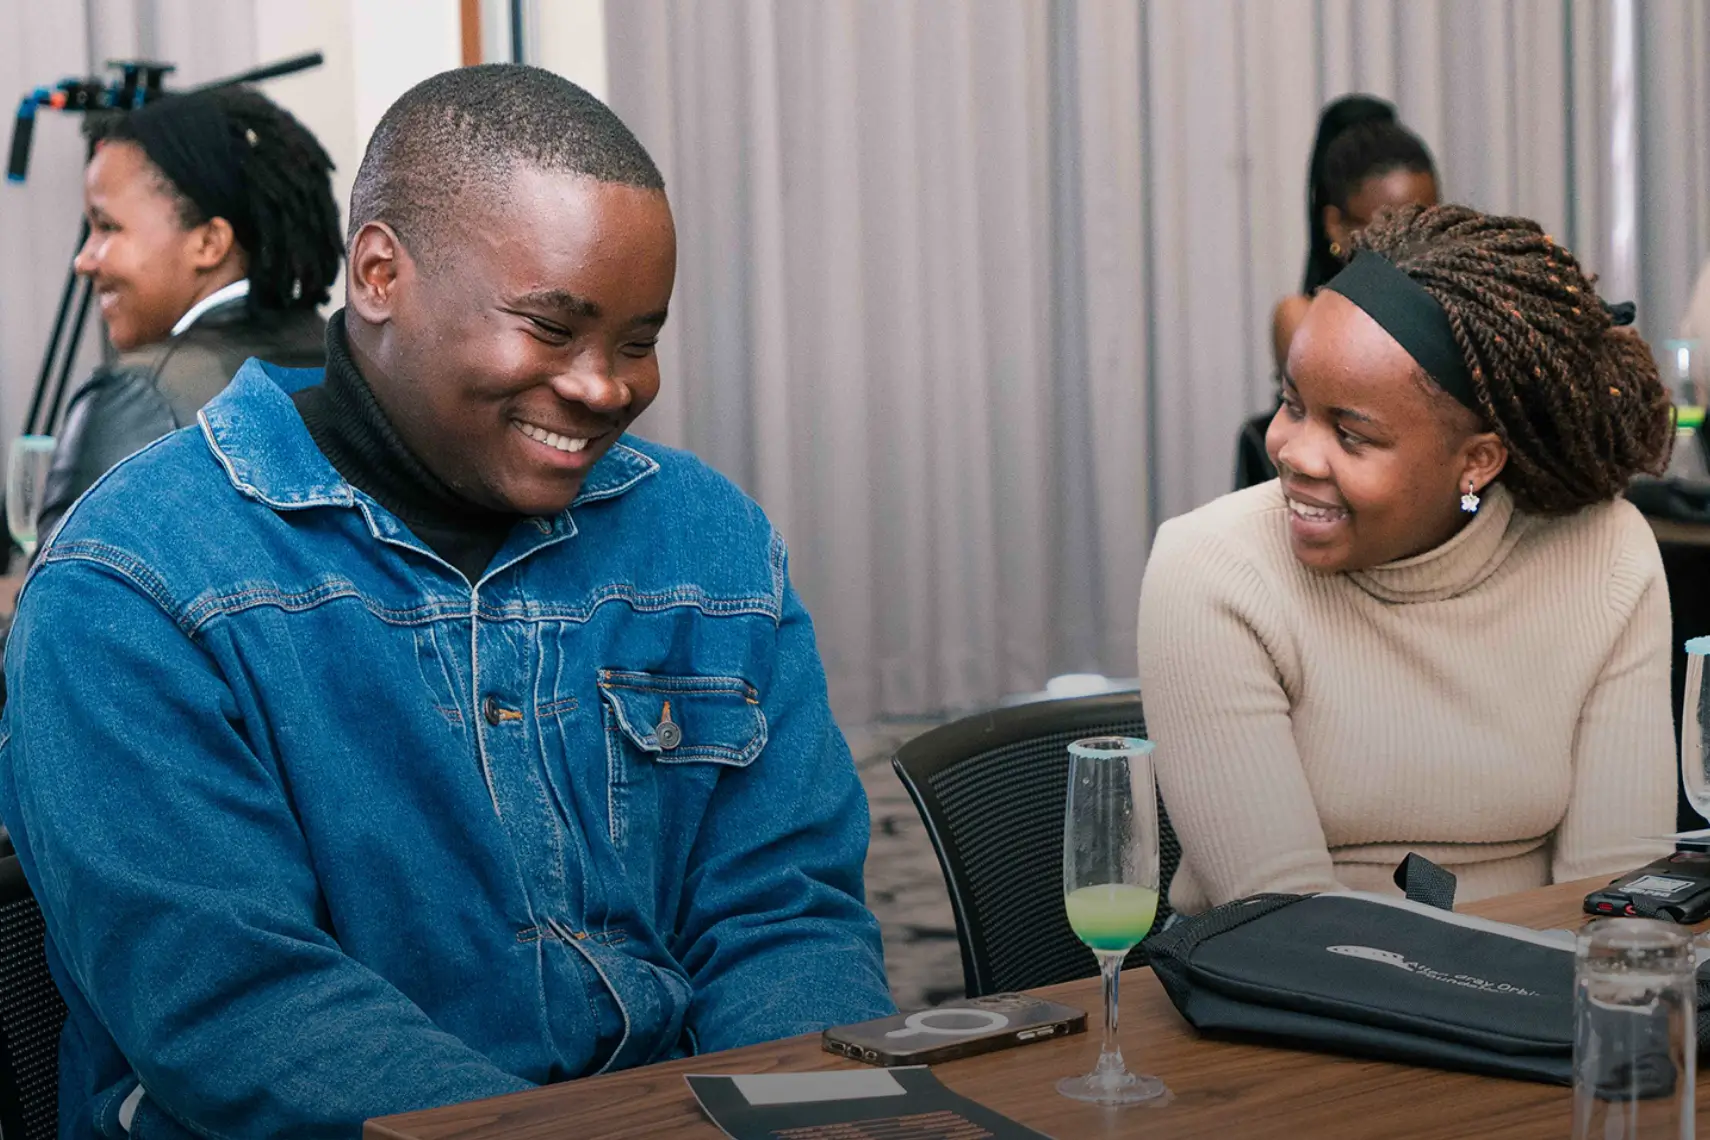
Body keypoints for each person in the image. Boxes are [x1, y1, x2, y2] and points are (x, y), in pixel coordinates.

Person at [0, 64, 892, 1138]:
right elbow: (240, 1009)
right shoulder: (133, 585)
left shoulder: (710, 545)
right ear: (379, 273)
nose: (605, 386)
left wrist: (819, 1123)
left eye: (639, 341)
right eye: (552, 330)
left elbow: (784, 915)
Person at [1141, 203, 1676, 915]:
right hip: (1286, 977)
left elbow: (1613, 903)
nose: (1292, 453)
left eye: (1352, 434)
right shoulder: (1211, 569)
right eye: (1292, 404)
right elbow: (1280, 922)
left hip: (1546, 974)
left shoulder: (1606, 556)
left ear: (1477, 461)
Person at [38, 84, 341, 539]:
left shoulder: (139, 396)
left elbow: (67, 581)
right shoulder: (350, 361)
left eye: (107, 227)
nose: (84, 260)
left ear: (208, 243)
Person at [1269, 95, 1438, 373]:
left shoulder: (1460, 313)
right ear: (1336, 226)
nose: (1411, 244)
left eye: (1427, 223)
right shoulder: (1301, 319)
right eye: (1388, 230)